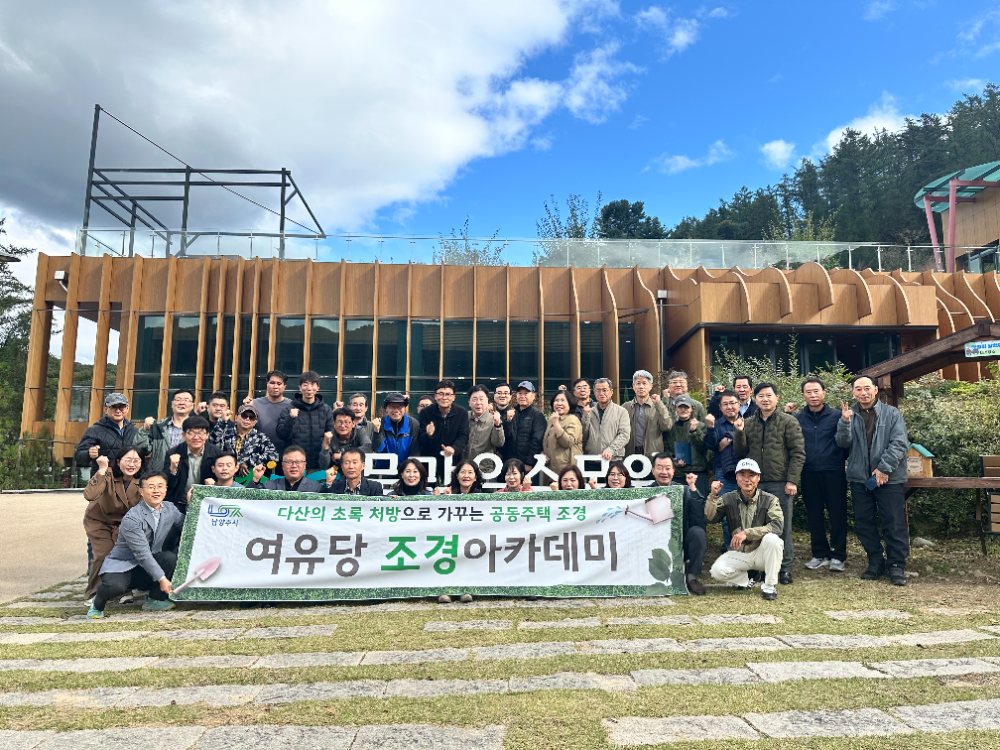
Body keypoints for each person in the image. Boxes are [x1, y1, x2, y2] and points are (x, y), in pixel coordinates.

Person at [836, 375, 910, 586]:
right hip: (860, 478)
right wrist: (844, 423)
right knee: (864, 523)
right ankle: (876, 561)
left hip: (890, 479)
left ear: (875, 390)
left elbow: (899, 444)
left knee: (893, 523)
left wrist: (883, 469)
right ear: (853, 393)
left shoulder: (891, 413)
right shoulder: (850, 414)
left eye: (867, 388)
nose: (863, 393)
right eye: (858, 389)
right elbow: (842, 444)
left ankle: (896, 565)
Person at [733, 382, 805, 585]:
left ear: (777, 398)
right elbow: (740, 452)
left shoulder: (788, 422)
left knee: (781, 526)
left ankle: (784, 568)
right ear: (755, 399)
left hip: (779, 483)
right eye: (761, 396)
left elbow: (798, 454)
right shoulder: (748, 422)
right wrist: (738, 432)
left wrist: (792, 480)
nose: (765, 399)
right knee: (754, 526)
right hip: (754, 484)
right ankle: (757, 568)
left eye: (769, 395)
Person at [87, 471, 184, 618]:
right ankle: (97, 603)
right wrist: (162, 579)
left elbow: (186, 526)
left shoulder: (170, 509)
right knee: (115, 587)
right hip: (123, 565)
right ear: (141, 491)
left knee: (170, 558)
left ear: (166, 489)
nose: (156, 490)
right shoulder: (132, 517)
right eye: (151, 487)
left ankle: (154, 600)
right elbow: (142, 554)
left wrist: (192, 501)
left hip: (146, 566)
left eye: (160, 486)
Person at [785, 378, 849, 573]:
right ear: (803, 395)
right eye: (808, 392)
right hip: (808, 472)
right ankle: (819, 553)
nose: (813, 395)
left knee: (838, 514)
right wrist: (786, 414)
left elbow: (846, 443)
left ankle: (838, 555)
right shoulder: (796, 418)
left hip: (834, 472)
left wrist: (836, 458)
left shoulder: (838, 416)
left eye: (816, 391)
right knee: (814, 515)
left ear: (823, 393)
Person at [706, 458, 785, 601]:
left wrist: (747, 533)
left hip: (761, 553)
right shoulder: (727, 498)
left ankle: (769, 585)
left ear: (758, 478)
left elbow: (777, 527)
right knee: (717, 571)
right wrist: (713, 496)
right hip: (739, 553)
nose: (747, 479)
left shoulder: (770, 499)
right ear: (736, 477)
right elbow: (711, 519)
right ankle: (747, 579)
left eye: (751, 475)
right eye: (742, 474)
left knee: (773, 540)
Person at [81, 446, 145, 602]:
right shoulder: (108, 473)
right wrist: (102, 468)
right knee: (103, 554)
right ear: (118, 461)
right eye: (127, 460)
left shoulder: (143, 481)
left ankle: (124, 590)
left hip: (124, 523)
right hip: (99, 520)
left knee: (124, 553)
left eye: (136, 460)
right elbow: (90, 494)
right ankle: (94, 593)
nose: (132, 464)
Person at [649, 453, 707, 595]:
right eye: (660, 468)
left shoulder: (684, 491)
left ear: (674, 471)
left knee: (698, 533)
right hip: (655, 544)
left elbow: (698, 518)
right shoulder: (646, 492)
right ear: (652, 471)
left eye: (668, 468)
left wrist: (693, 487)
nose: (664, 472)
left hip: (681, 543)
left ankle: (691, 577)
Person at [276, 371, 335, 472]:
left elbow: (332, 434)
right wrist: (291, 418)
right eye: (305, 384)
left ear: (318, 388)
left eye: (313, 385)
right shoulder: (289, 409)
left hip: (319, 465)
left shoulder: (326, 410)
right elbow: (281, 435)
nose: (309, 388)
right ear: (300, 387)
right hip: (295, 465)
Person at [703, 389, 740, 551]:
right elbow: (711, 446)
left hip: (747, 473)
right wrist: (710, 428)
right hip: (723, 473)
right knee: (728, 514)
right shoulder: (716, 425)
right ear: (720, 407)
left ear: (739, 404)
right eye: (725, 404)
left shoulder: (748, 421)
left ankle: (748, 551)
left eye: (733, 403)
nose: (729, 407)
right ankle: (731, 550)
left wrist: (731, 436)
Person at [164, 416, 222, 513]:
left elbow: (224, 478)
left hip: (206, 505)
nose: (196, 437)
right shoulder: (173, 453)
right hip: (178, 504)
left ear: (207, 435)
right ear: (183, 435)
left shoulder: (216, 453)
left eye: (201, 433)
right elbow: (166, 484)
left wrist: (215, 483)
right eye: (191, 433)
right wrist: (172, 469)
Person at [416, 380, 470, 478]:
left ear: (453, 397)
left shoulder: (462, 413)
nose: (444, 397)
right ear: (435, 396)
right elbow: (420, 438)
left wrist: (454, 448)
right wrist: (429, 434)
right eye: (441, 394)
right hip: (430, 462)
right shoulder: (426, 413)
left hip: (453, 460)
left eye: (448, 394)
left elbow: (464, 436)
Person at [75, 393, 142, 471]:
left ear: (127, 409)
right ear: (106, 409)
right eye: (113, 407)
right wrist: (88, 454)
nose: (118, 411)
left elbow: (144, 454)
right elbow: (79, 457)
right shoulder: (94, 430)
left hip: (129, 479)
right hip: (104, 479)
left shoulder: (135, 431)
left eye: (121, 407)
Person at [211, 403, 279, 477]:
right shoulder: (225, 433)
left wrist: (248, 462)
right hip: (222, 477)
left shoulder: (260, 437)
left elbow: (274, 456)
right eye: (244, 416)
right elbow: (212, 445)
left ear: (255, 421)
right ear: (236, 417)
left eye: (252, 417)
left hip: (246, 480)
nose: (247, 419)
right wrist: (222, 422)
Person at [140, 389, 195, 472]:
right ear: (172, 404)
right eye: (178, 399)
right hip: (158, 478)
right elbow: (141, 451)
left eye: (186, 400)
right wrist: (144, 430)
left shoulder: (197, 430)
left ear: (192, 406)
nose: (182, 403)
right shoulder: (158, 427)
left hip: (185, 479)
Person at [664, 394, 708, 495]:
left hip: (697, 472)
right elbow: (666, 448)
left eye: (686, 407)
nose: (683, 409)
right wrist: (673, 460)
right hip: (677, 474)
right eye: (680, 407)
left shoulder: (701, 426)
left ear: (691, 409)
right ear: (675, 408)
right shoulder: (670, 429)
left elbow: (703, 448)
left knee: (698, 503)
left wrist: (695, 432)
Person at [622, 370, 673, 457]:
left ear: (650, 386)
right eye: (638, 383)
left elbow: (666, 426)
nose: (641, 387)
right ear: (633, 387)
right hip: (630, 454)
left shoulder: (658, 406)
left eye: (644, 383)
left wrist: (659, 404)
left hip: (653, 454)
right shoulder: (625, 407)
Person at [505, 381, 546, 476]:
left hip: (528, 465)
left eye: (526, 393)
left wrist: (530, 462)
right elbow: (506, 437)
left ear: (533, 395)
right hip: (511, 463)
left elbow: (537, 440)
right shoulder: (511, 412)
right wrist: (507, 422)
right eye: (520, 393)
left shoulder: (537, 415)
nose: (522, 396)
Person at [244, 370, 292, 452]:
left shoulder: (291, 406)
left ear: (285, 386)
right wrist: (246, 409)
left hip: (285, 454)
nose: (275, 386)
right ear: (267, 384)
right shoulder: (254, 404)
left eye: (279, 384)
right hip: (259, 453)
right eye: (272, 383)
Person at [584, 378, 631, 461]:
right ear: (594, 392)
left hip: (613, 460)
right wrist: (585, 418)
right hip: (591, 460)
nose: (601, 393)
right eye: (598, 390)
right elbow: (583, 436)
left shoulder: (621, 412)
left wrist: (610, 450)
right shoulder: (589, 412)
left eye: (604, 390)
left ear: (611, 392)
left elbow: (624, 435)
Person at [542, 390, 583, 476]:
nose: (559, 403)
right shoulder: (551, 420)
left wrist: (556, 424)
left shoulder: (573, 419)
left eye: (563, 400)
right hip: (551, 469)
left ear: (569, 404)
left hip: (567, 470)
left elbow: (568, 442)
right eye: (556, 400)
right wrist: (543, 452)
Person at [249, 445, 323, 492]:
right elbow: (249, 501)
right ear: (283, 466)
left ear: (304, 465)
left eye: (298, 462)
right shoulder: (270, 486)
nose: (294, 465)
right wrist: (256, 480)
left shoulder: (315, 489)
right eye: (289, 462)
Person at [320, 407, 373, 471]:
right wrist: (325, 447)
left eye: (346, 422)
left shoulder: (359, 431)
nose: (342, 426)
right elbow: (324, 465)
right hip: (336, 469)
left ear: (353, 424)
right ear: (334, 424)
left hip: (356, 469)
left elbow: (368, 447)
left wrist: (343, 455)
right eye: (339, 422)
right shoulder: (330, 435)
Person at [465, 385, 505, 468]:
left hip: (484, 468)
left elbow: (498, 443)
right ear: (469, 401)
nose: (478, 403)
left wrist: (497, 425)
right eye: (474, 399)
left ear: (487, 401)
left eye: (481, 399)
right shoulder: (464, 417)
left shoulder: (493, 419)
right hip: (465, 467)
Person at [376, 392, 416, 464]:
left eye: (400, 406)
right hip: (384, 470)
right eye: (392, 407)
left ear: (405, 408)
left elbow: (415, 451)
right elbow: (378, 449)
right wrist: (376, 432)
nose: (396, 410)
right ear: (386, 408)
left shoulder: (413, 424)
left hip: (406, 470)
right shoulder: (380, 423)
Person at [569, 378, 598, 448]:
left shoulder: (598, 407)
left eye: (585, 387)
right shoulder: (571, 409)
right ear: (574, 393)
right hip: (576, 447)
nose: (582, 390)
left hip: (595, 448)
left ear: (589, 391)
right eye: (579, 388)